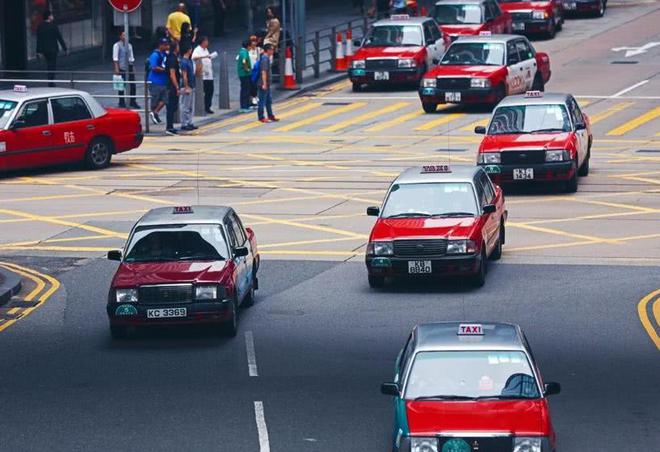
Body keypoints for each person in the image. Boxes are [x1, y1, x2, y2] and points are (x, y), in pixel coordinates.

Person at [36, 10, 67, 87]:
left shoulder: (40, 26)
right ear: (49, 17)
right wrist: (65, 48)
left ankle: (50, 79)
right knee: (52, 65)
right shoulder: (53, 26)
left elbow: (39, 39)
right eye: (52, 15)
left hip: (45, 50)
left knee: (49, 64)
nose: (53, 17)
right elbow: (59, 37)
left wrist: (38, 51)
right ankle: (50, 81)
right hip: (53, 49)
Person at [112, 30, 140, 109]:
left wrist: (133, 67)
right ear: (120, 36)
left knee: (133, 85)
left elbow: (131, 57)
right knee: (121, 86)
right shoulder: (116, 45)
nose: (125, 37)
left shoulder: (129, 45)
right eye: (123, 35)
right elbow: (115, 58)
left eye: (126, 35)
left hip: (129, 67)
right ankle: (121, 102)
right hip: (121, 67)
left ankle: (132, 101)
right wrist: (116, 68)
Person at [147, 38, 169, 125]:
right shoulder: (155, 55)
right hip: (155, 81)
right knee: (155, 100)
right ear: (160, 45)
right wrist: (165, 70)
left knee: (165, 99)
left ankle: (155, 112)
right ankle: (154, 115)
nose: (167, 46)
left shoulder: (164, 54)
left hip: (163, 81)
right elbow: (154, 67)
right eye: (165, 45)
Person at [192, 36, 216, 114]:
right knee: (203, 91)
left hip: (209, 73)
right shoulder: (197, 50)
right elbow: (194, 57)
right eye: (206, 41)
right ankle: (202, 106)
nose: (207, 43)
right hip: (202, 75)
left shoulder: (206, 50)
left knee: (210, 91)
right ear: (202, 42)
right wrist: (204, 57)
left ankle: (208, 106)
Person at [256, 44, 279, 124]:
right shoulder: (265, 59)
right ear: (268, 50)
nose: (273, 51)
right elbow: (264, 72)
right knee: (262, 101)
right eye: (272, 49)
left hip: (267, 83)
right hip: (263, 83)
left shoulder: (266, 58)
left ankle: (270, 115)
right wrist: (264, 84)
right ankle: (261, 117)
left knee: (268, 100)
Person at [165, 42, 182, 135]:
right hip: (171, 86)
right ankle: (169, 127)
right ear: (175, 48)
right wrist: (176, 87)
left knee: (174, 106)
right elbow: (172, 74)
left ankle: (170, 126)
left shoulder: (173, 57)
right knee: (171, 106)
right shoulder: (172, 58)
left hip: (172, 85)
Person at [179, 46, 197, 131]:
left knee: (190, 106)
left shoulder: (189, 61)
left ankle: (189, 122)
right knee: (185, 106)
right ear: (188, 50)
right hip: (187, 86)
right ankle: (184, 123)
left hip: (191, 85)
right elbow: (184, 76)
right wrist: (186, 87)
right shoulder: (184, 62)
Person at [237, 40, 252, 113]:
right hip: (245, 74)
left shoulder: (241, 51)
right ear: (248, 46)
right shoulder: (244, 52)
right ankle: (245, 106)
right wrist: (247, 69)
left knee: (244, 90)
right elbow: (244, 61)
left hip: (242, 74)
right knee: (246, 90)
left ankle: (244, 106)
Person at [248, 36, 262, 109]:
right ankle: (251, 101)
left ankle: (255, 99)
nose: (253, 43)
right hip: (250, 70)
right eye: (252, 41)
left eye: (255, 41)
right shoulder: (248, 50)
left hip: (256, 70)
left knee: (255, 85)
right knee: (251, 85)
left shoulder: (258, 50)